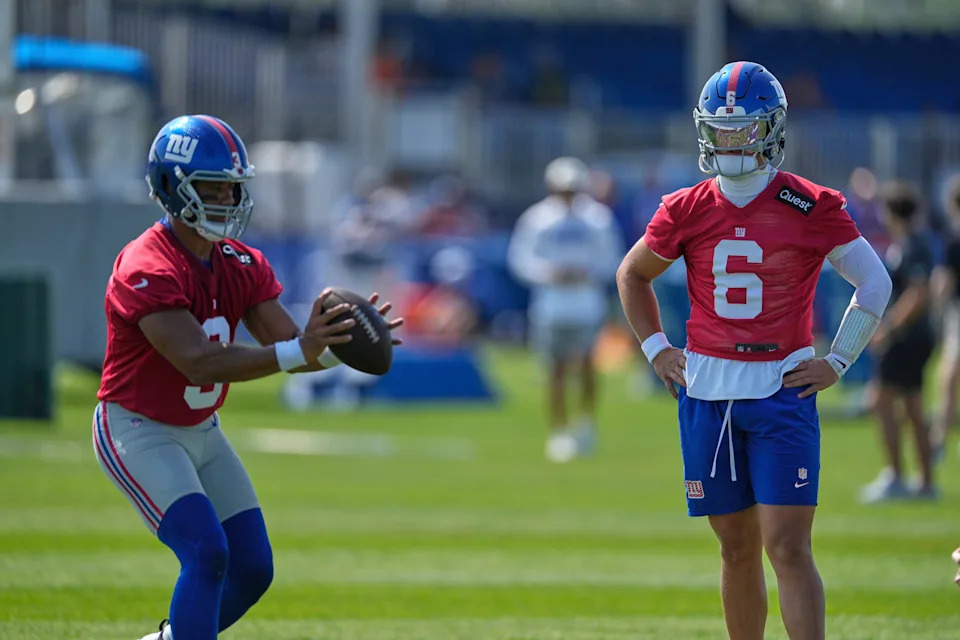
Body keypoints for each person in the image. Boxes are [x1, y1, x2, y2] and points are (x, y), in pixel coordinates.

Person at [93, 115, 402, 640]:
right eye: (212, 187)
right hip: (138, 430)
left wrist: (334, 345)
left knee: (254, 567)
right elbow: (198, 361)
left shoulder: (241, 262)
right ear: (172, 187)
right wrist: (300, 348)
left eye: (233, 187)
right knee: (207, 552)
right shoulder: (145, 264)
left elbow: (289, 347)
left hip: (203, 430)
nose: (227, 199)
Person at [617, 62, 891, 640]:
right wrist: (656, 349)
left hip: (780, 387)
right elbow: (632, 274)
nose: (731, 142)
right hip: (708, 391)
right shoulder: (685, 207)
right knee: (735, 549)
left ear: (771, 130)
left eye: (743, 130)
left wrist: (838, 360)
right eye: (720, 130)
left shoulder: (811, 203)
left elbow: (875, 282)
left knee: (788, 548)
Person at [508, 157, 623, 463]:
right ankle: (558, 431)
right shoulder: (537, 219)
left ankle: (585, 424)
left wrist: (586, 272)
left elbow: (612, 258)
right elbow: (520, 259)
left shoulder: (598, 218)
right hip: (551, 305)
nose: (568, 196)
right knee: (554, 368)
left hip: (586, 304)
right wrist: (548, 273)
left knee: (587, 365)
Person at [860, 181, 937, 502]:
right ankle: (925, 482)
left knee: (880, 400)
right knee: (914, 408)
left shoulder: (914, 244)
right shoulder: (908, 242)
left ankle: (896, 475)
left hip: (908, 338)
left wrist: (889, 328)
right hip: (913, 337)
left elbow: (918, 294)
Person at [930, 173, 960, 462]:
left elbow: (943, 280)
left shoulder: (954, 235)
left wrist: (935, 309)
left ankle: (940, 437)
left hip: (957, 312)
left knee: (948, 375)